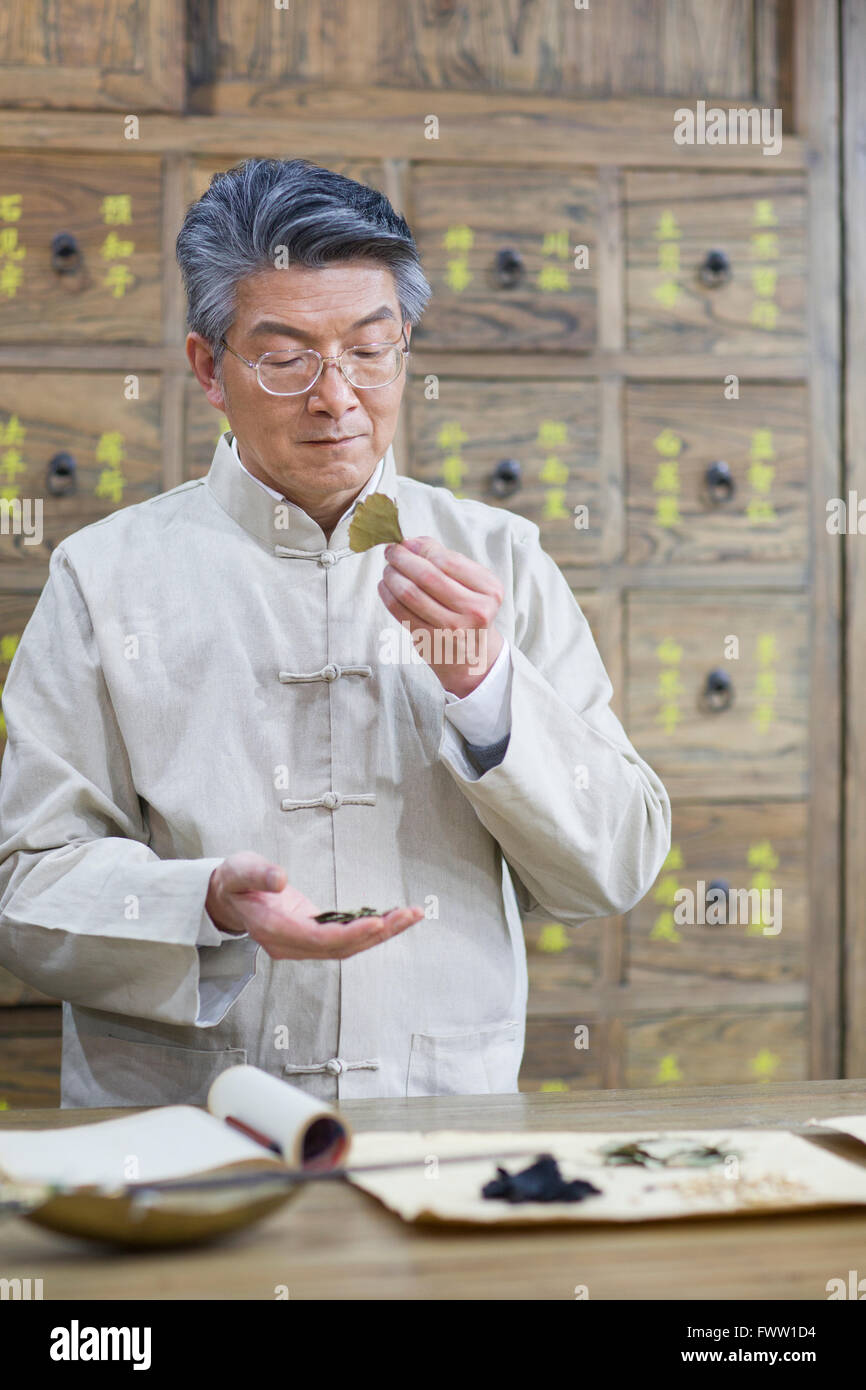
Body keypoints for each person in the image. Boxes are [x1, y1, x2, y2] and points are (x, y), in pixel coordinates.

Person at [0, 158, 671, 1106]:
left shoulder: (501, 558)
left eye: (371, 348)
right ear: (208, 368)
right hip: (185, 1133)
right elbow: (27, 888)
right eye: (286, 357)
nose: (337, 396)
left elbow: (617, 867)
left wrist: (487, 691)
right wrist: (201, 904)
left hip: (438, 1123)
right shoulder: (105, 578)